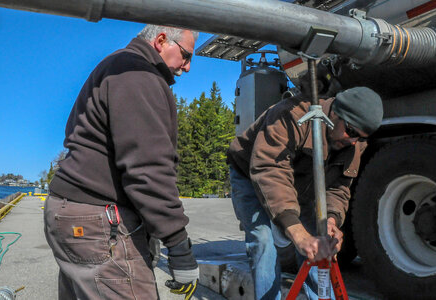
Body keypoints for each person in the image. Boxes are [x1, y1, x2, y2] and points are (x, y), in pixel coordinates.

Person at [44, 25, 200, 299]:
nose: (187, 67)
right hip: (96, 219)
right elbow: (148, 168)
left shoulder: (118, 66)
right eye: (186, 56)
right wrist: (178, 245)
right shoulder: (138, 75)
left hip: (73, 212)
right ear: (161, 41)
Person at [227, 86, 383, 300]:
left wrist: (331, 219)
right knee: (263, 241)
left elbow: (339, 187)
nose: (353, 141)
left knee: (318, 242)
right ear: (335, 114)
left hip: (302, 183)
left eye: (361, 137)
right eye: (351, 131)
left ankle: (318, 297)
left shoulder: (354, 144)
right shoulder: (293, 114)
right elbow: (270, 170)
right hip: (253, 174)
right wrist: (297, 232)